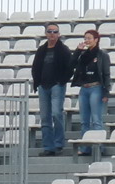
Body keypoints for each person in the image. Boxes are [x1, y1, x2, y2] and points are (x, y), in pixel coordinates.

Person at [31, 23, 74, 156]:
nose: (52, 34)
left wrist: (62, 81)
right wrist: (37, 82)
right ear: (46, 33)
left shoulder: (63, 50)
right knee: (45, 117)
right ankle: (48, 146)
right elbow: (36, 67)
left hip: (57, 85)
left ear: (59, 34)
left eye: (55, 32)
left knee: (56, 113)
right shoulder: (41, 50)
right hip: (43, 86)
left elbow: (70, 67)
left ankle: (58, 144)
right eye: (50, 31)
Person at [71, 30, 111, 156]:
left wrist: (106, 92)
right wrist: (78, 50)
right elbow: (71, 64)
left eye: (89, 38)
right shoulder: (83, 55)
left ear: (96, 39)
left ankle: (99, 146)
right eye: (85, 38)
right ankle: (85, 147)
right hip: (84, 88)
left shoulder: (102, 55)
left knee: (96, 119)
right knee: (84, 120)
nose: (87, 40)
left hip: (96, 88)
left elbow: (106, 74)